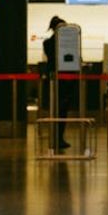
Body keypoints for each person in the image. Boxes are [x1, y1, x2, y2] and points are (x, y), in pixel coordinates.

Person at [42, 16, 75, 149]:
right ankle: (58, 138)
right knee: (61, 109)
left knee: (58, 109)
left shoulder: (48, 43)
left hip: (55, 80)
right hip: (62, 80)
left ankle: (58, 137)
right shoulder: (59, 43)